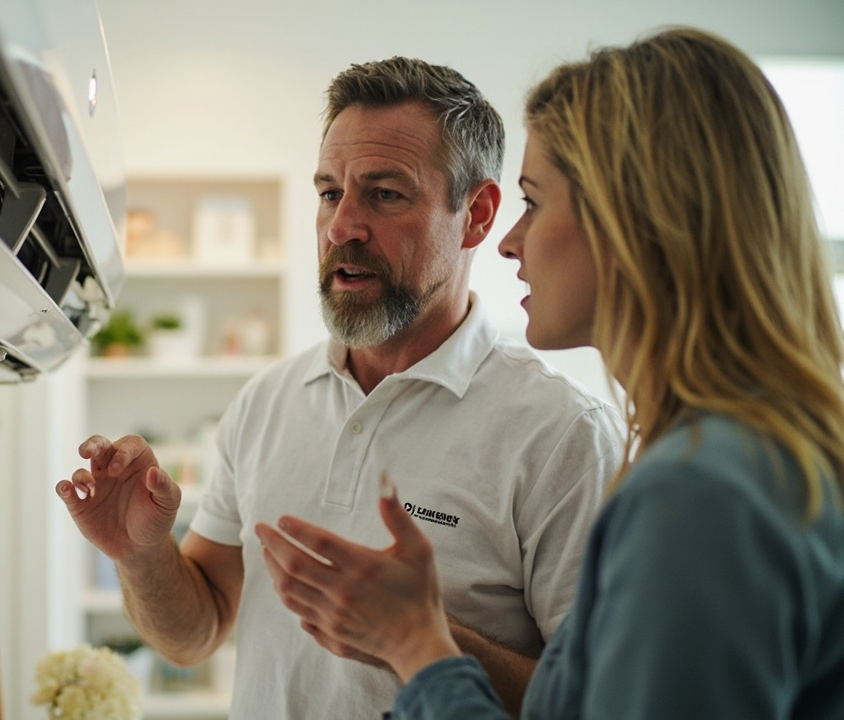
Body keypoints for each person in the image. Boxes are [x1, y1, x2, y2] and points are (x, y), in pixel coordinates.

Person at [255, 27, 844, 720]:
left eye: (532, 201)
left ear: (635, 220)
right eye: (330, 193)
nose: (510, 242)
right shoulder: (728, 460)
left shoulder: (699, 491)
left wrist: (417, 643)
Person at [57, 57, 625, 719]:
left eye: (384, 194)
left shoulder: (563, 435)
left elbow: (596, 703)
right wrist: (142, 555)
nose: (341, 226)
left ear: (476, 215)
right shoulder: (265, 402)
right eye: (330, 193)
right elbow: (197, 632)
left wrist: (416, 634)